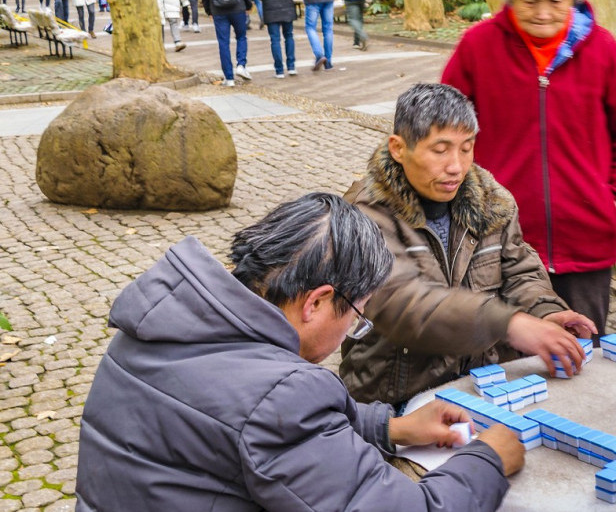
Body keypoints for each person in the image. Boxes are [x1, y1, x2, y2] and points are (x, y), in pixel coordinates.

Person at [75, 192, 523, 511]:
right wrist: (486, 460)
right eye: (356, 316)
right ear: (316, 302)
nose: (352, 329)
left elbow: (244, 431)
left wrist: (392, 426)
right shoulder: (281, 396)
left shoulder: (156, 325)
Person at [441, 0, 616, 336]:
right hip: (499, 243)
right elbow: (445, 129)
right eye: (530, 0)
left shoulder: (601, 49)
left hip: (585, 244)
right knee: (503, 356)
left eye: (555, 0)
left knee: (582, 354)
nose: (543, 12)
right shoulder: (478, 47)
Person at [341, 83, 597, 407]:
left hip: (483, 390)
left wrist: (543, 313)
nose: (456, 166)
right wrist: (510, 323)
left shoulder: (493, 202)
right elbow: (402, 303)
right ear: (398, 148)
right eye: (440, 149)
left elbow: (521, 270)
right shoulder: (365, 214)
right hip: (394, 398)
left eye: (466, 148)